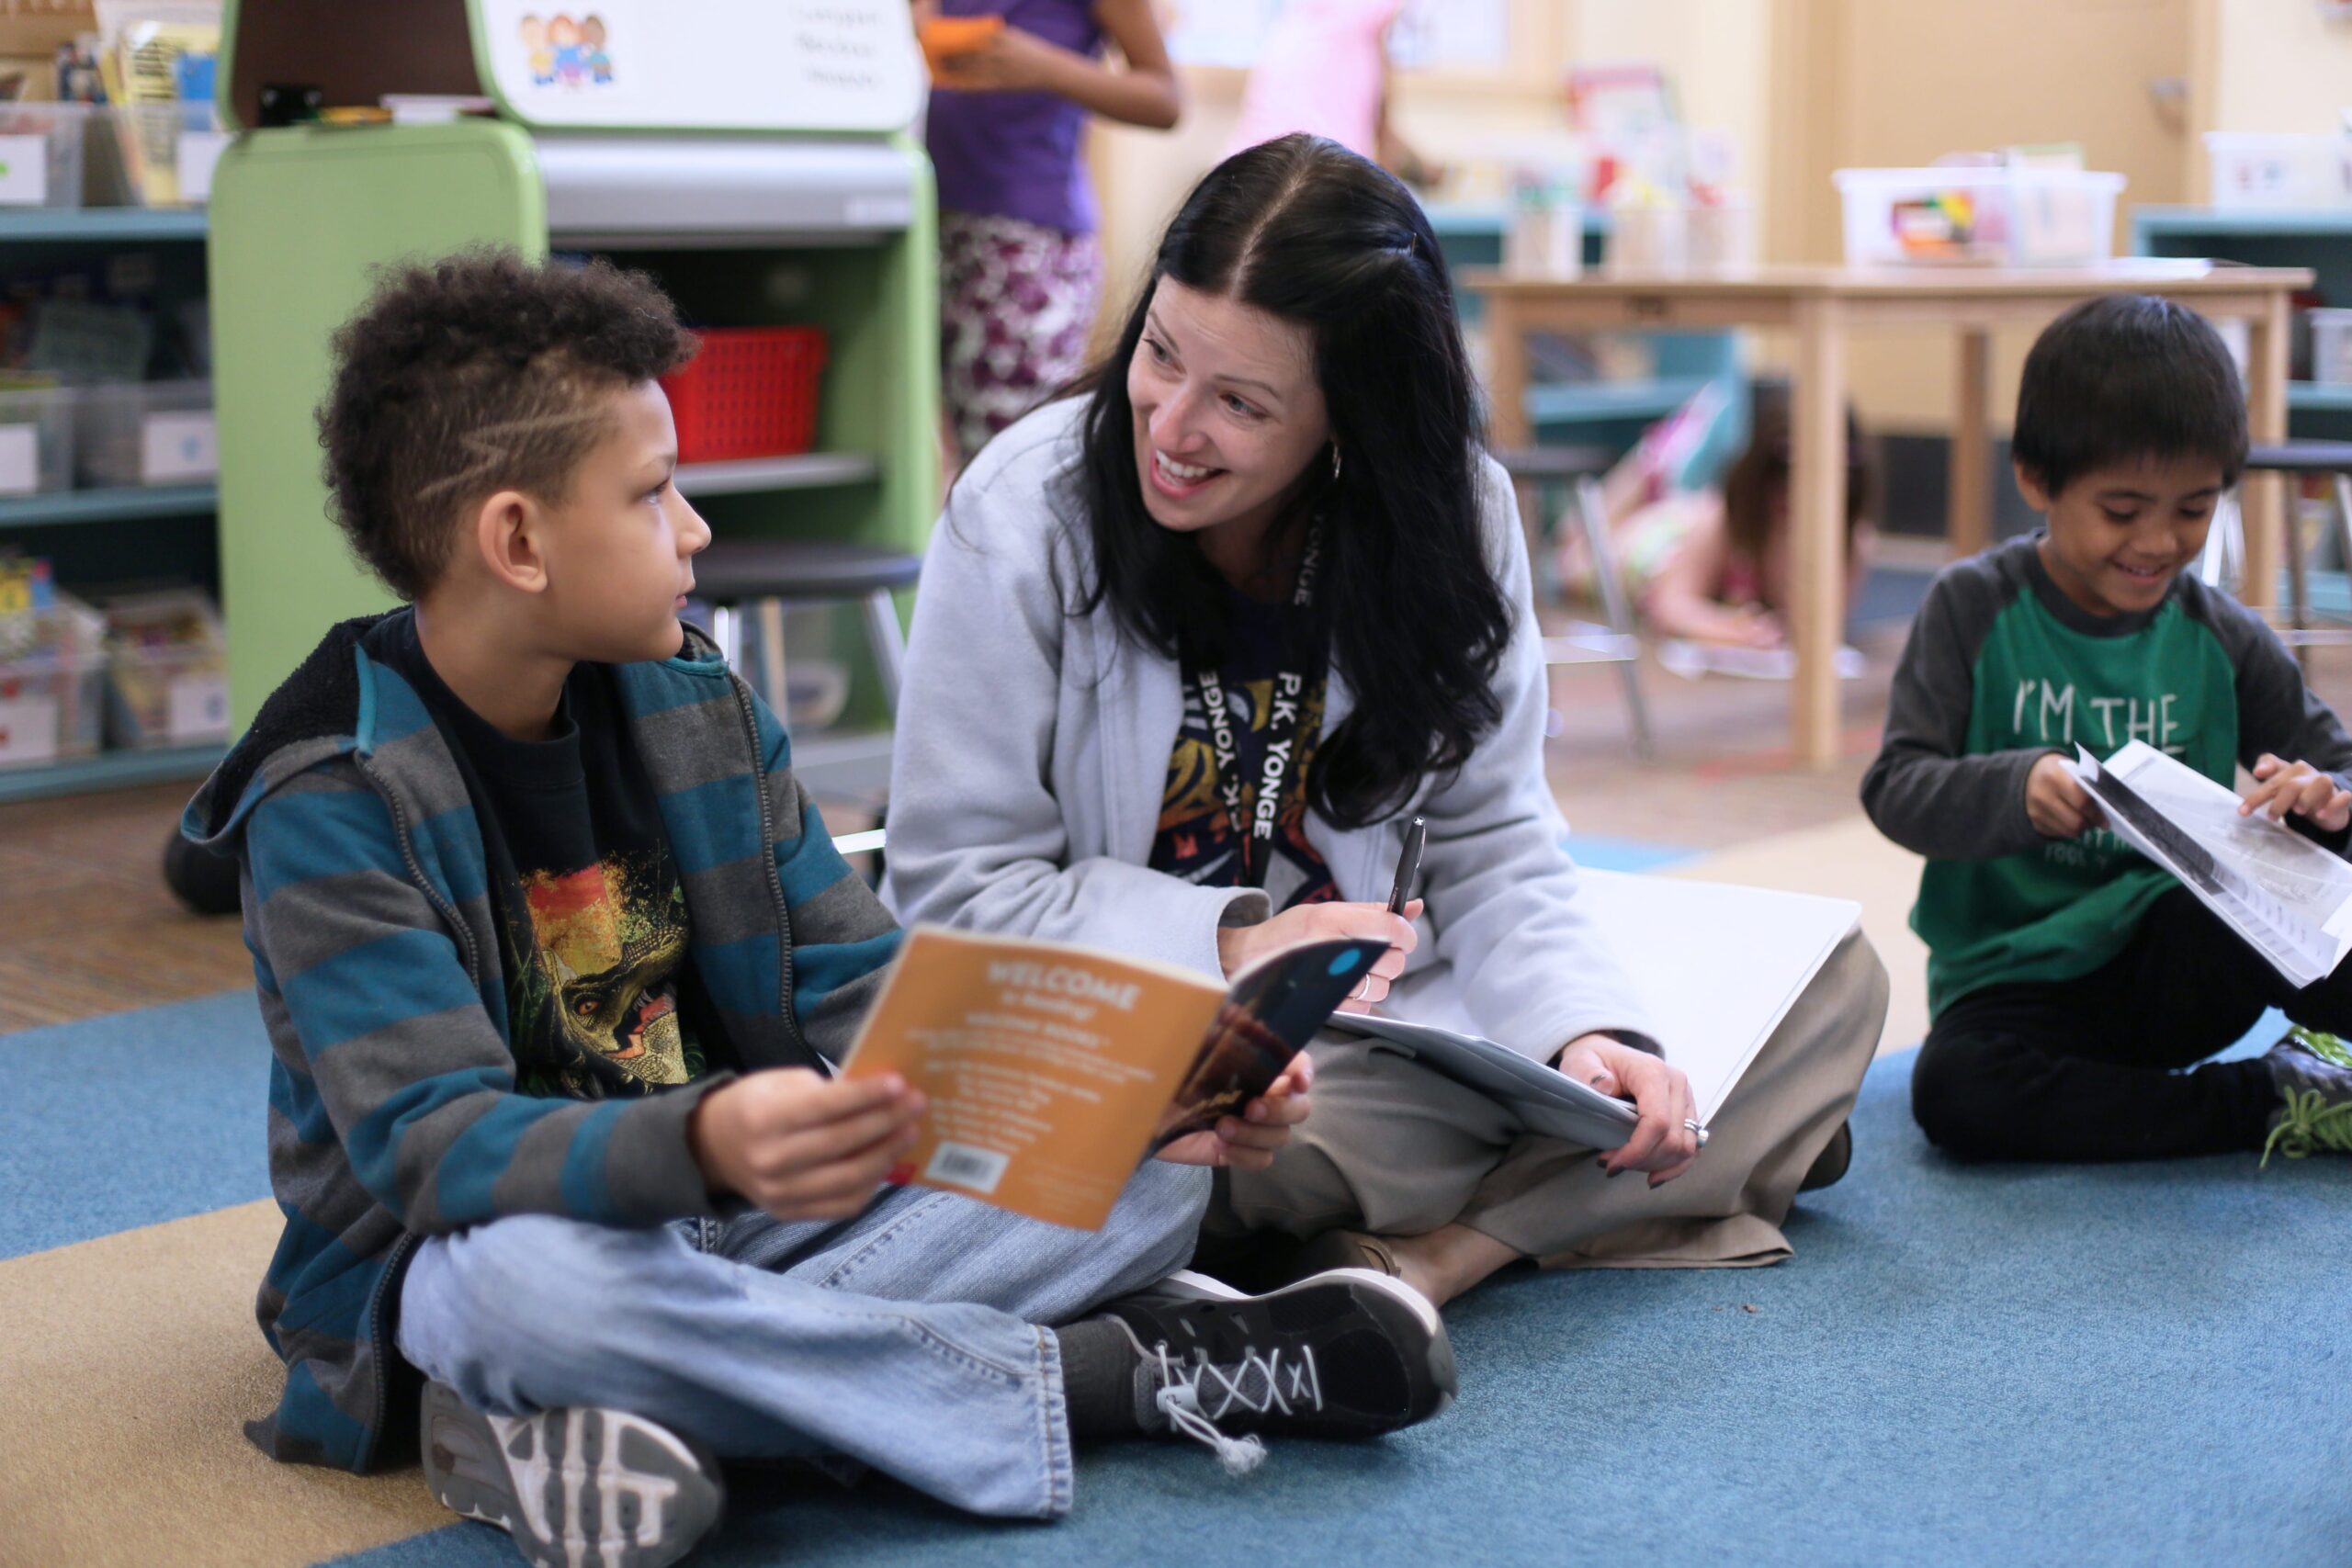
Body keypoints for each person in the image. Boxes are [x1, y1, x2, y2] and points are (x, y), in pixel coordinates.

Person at [180, 252, 1453, 1568]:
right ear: (517, 540)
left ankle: (597, 1419)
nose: (695, 529)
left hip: (754, 1201)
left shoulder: (696, 702)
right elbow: (430, 1146)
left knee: (1142, 1175)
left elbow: (865, 984)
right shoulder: (331, 793)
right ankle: (1107, 1374)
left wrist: (1149, 1080)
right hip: (483, 1241)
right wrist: (712, 1136)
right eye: (651, 491)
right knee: (509, 1296)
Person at [883, 135, 1887, 1312]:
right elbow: (951, 898)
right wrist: (1229, 946)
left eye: (1241, 403)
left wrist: (1587, 1033)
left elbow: (1494, 841)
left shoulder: (1453, 517)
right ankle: (1651, 1175)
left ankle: (1440, 1257)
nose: (1170, 424)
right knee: (1252, 1130)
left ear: (1347, 426)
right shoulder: (1025, 511)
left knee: (1832, 987)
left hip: (1399, 1030)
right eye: (1161, 352)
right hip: (1161, 1051)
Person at [1863, 293, 2352, 1166]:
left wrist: (2324, 796)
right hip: (2024, 981)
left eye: (2195, 510)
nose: (2160, 542)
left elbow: (2340, 766)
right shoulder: (1972, 609)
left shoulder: (2220, 632)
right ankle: (2271, 1095)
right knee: (1957, 1093)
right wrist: (2016, 788)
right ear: (2036, 480)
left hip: (2181, 954)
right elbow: (1897, 787)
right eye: (2123, 511)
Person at [916, 0, 1181, 467]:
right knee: (941, 452)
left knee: (1012, 461)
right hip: (926, 225)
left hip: (1026, 247)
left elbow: (1165, 99)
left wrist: (1046, 67)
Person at [1571, 378, 1879, 652]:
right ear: (1759, 473)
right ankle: (1663, 452)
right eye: (1783, 470)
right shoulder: (1723, 523)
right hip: (1659, 539)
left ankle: (1671, 454)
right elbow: (1670, 605)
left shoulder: (1853, 543)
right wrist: (1728, 630)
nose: (1796, 491)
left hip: (1684, 525)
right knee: (1575, 560)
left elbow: (1816, 627)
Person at [1223, 0, 1442, 186]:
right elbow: (1382, 129)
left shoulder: (1308, 32)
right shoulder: (1354, 35)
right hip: (1307, 176)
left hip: (1251, 174)